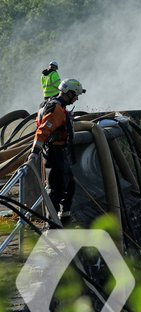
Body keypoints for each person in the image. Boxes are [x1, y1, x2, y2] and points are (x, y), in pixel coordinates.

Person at [28, 78, 85, 223]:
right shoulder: (56, 110)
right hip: (54, 154)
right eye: (76, 95)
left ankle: (64, 218)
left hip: (59, 152)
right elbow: (43, 130)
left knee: (70, 185)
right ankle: (52, 225)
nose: (77, 98)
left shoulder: (52, 106)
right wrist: (35, 152)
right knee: (56, 191)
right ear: (69, 93)